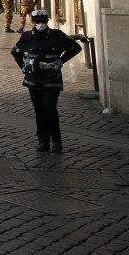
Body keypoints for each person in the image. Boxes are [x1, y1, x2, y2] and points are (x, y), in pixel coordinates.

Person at [10, 9, 81, 152]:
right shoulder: (27, 36)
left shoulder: (57, 35)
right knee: (39, 111)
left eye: (43, 22)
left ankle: (56, 140)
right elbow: (15, 52)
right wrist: (23, 67)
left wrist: (61, 60)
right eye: (37, 22)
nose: (40, 24)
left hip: (51, 78)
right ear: (33, 22)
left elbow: (75, 48)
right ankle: (43, 141)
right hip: (33, 78)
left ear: (47, 21)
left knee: (49, 108)